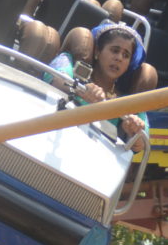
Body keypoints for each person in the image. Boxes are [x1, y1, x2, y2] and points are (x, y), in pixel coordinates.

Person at [49, 22, 149, 151]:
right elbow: (55, 79)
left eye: (126, 55)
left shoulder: (129, 103)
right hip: (54, 139)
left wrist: (134, 129)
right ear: (97, 51)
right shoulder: (69, 63)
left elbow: (140, 144)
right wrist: (81, 90)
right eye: (115, 50)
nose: (119, 58)